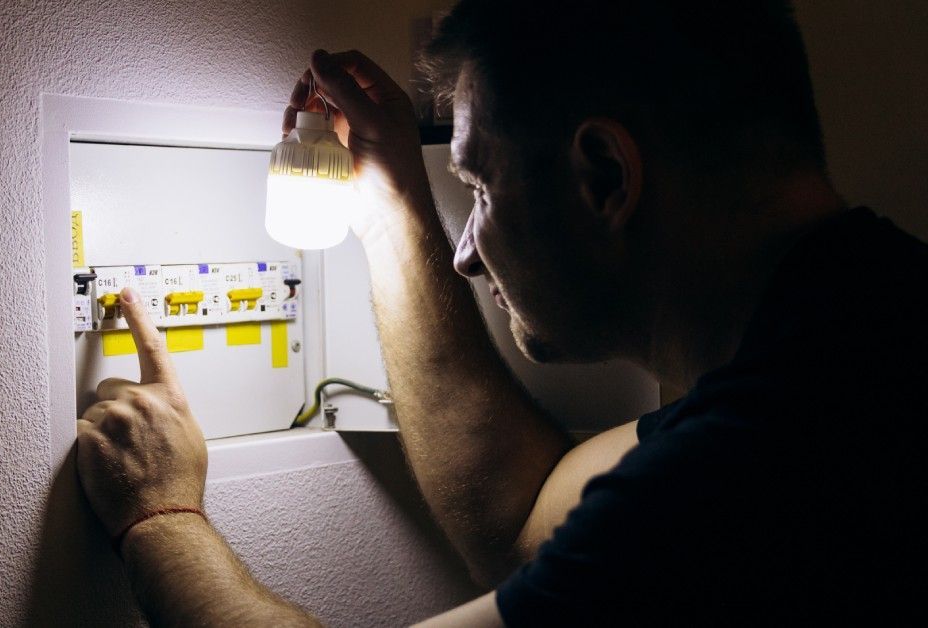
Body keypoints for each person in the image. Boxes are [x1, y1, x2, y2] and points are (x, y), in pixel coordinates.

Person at [74, 0, 928, 624]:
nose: (467, 249)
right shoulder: (861, 337)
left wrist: (162, 517)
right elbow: (522, 517)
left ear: (603, 177)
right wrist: (393, 206)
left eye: (479, 186)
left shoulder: (741, 477)